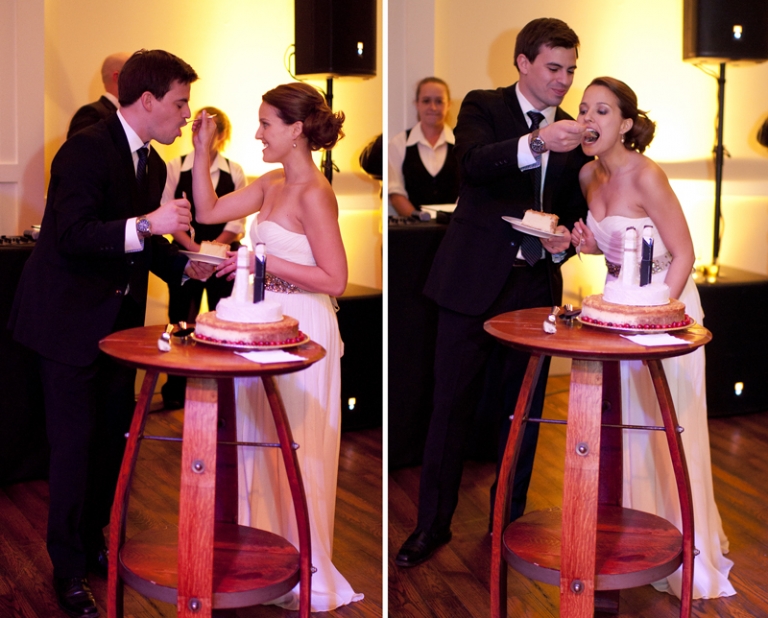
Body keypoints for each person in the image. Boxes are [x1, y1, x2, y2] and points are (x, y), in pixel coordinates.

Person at [8, 49, 208, 618]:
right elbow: (73, 235)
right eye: (180, 103)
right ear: (147, 100)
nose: (186, 114)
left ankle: (94, 539)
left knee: (110, 443)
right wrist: (148, 223)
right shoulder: (85, 148)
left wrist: (187, 267)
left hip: (118, 331)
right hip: (66, 324)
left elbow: (143, 243)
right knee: (72, 450)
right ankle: (67, 570)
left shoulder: (151, 164)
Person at [395, 17, 591, 568]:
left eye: (571, 70)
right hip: (470, 285)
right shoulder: (484, 105)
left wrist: (564, 244)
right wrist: (537, 142)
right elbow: (475, 166)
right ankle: (431, 526)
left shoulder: (575, 133)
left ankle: (508, 525)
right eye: (554, 68)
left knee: (521, 415)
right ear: (523, 63)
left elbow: (572, 213)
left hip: (534, 287)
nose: (563, 80)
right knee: (449, 408)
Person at [191, 82, 363, 611]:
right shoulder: (269, 183)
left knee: (298, 448)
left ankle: (303, 566)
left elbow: (335, 279)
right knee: (258, 443)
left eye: (266, 124)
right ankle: (262, 560)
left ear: (296, 130)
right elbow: (209, 209)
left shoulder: (315, 193)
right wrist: (201, 152)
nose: (258, 133)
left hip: (304, 329)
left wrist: (256, 260)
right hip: (266, 325)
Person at [570, 76, 736, 600]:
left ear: (625, 124)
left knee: (670, 429)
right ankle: (640, 545)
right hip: (618, 312)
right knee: (635, 433)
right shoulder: (586, 174)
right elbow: (615, 248)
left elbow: (684, 253)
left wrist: (658, 317)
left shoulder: (647, 175)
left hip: (668, 312)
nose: (589, 119)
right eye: (584, 109)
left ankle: (687, 548)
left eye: (602, 111)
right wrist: (582, 244)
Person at [160, 106, 247, 409]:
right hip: (185, 254)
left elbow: (236, 223)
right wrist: (195, 251)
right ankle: (176, 389)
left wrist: (213, 251)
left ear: (221, 135)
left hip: (225, 258)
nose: (199, 132)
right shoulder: (175, 166)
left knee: (226, 319)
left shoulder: (234, 171)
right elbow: (166, 212)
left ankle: (225, 390)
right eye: (196, 126)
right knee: (180, 320)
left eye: (207, 128)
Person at [388, 77, 459, 217]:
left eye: (439, 101)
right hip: (414, 228)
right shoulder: (399, 143)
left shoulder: (461, 143)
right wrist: (420, 220)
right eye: (426, 101)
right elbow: (395, 193)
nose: (433, 107)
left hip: (456, 226)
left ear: (449, 105)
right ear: (417, 104)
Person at [67, 52, 130, 139]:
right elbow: (79, 146)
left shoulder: (131, 115)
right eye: (134, 74)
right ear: (117, 77)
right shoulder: (91, 113)